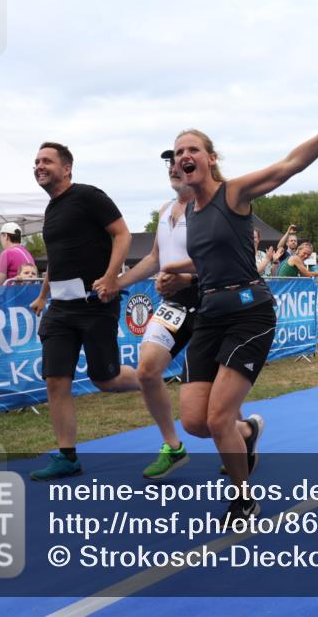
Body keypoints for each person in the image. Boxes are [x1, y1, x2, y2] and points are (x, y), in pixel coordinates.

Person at [163, 122, 318, 522]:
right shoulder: (191, 212)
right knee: (196, 422)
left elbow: (289, 165)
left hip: (250, 313)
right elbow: (205, 261)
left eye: (192, 149)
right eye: (178, 152)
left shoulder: (234, 193)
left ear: (210, 158)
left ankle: (243, 498)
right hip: (210, 315)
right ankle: (247, 432)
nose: (183, 157)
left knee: (217, 419)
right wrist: (176, 272)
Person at [28, 142, 141, 480]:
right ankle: (67, 456)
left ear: (67, 168)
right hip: (61, 309)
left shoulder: (89, 196)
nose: (39, 166)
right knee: (55, 380)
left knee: (104, 379)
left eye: (46, 161)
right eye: (35, 162)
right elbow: (58, 260)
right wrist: (42, 295)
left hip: (96, 305)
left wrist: (111, 277)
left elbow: (122, 234)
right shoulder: (51, 210)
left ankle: (148, 379)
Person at [117, 148, 201, 480]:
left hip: (212, 303)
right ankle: (173, 445)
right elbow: (154, 258)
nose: (174, 167)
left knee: (213, 392)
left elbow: (227, 259)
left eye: (181, 162)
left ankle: (239, 434)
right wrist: (117, 281)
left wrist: (189, 277)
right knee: (147, 371)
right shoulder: (166, 210)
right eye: (169, 163)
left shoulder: (211, 208)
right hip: (174, 304)